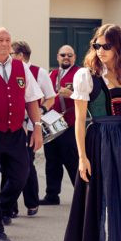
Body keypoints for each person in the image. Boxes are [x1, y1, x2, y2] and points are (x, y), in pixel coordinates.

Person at [63, 24, 121, 241]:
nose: (100, 51)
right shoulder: (86, 75)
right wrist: (82, 157)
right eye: (96, 46)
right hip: (100, 143)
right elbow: (80, 120)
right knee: (107, 203)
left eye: (106, 46)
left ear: (118, 47)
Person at [0, 28, 43, 241]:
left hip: (16, 133)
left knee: (21, 176)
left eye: (8, 40)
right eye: (0, 40)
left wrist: (36, 126)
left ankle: (4, 207)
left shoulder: (21, 67)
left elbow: (31, 99)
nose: (5, 44)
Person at [9, 40, 55, 216]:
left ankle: (31, 202)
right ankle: (10, 207)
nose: (8, 56)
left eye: (12, 54)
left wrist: (38, 112)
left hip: (30, 127)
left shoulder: (39, 72)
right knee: (9, 166)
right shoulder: (9, 70)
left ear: (20, 56)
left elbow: (51, 97)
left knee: (27, 165)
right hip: (11, 127)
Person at [40, 45, 80, 205]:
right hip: (52, 125)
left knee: (73, 162)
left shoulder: (80, 74)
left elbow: (89, 97)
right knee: (52, 161)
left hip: (69, 125)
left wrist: (73, 94)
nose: (66, 57)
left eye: (70, 55)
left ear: (74, 57)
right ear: (57, 57)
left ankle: (82, 195)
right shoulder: (52, 74)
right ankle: (52, 195)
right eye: (63, 55)